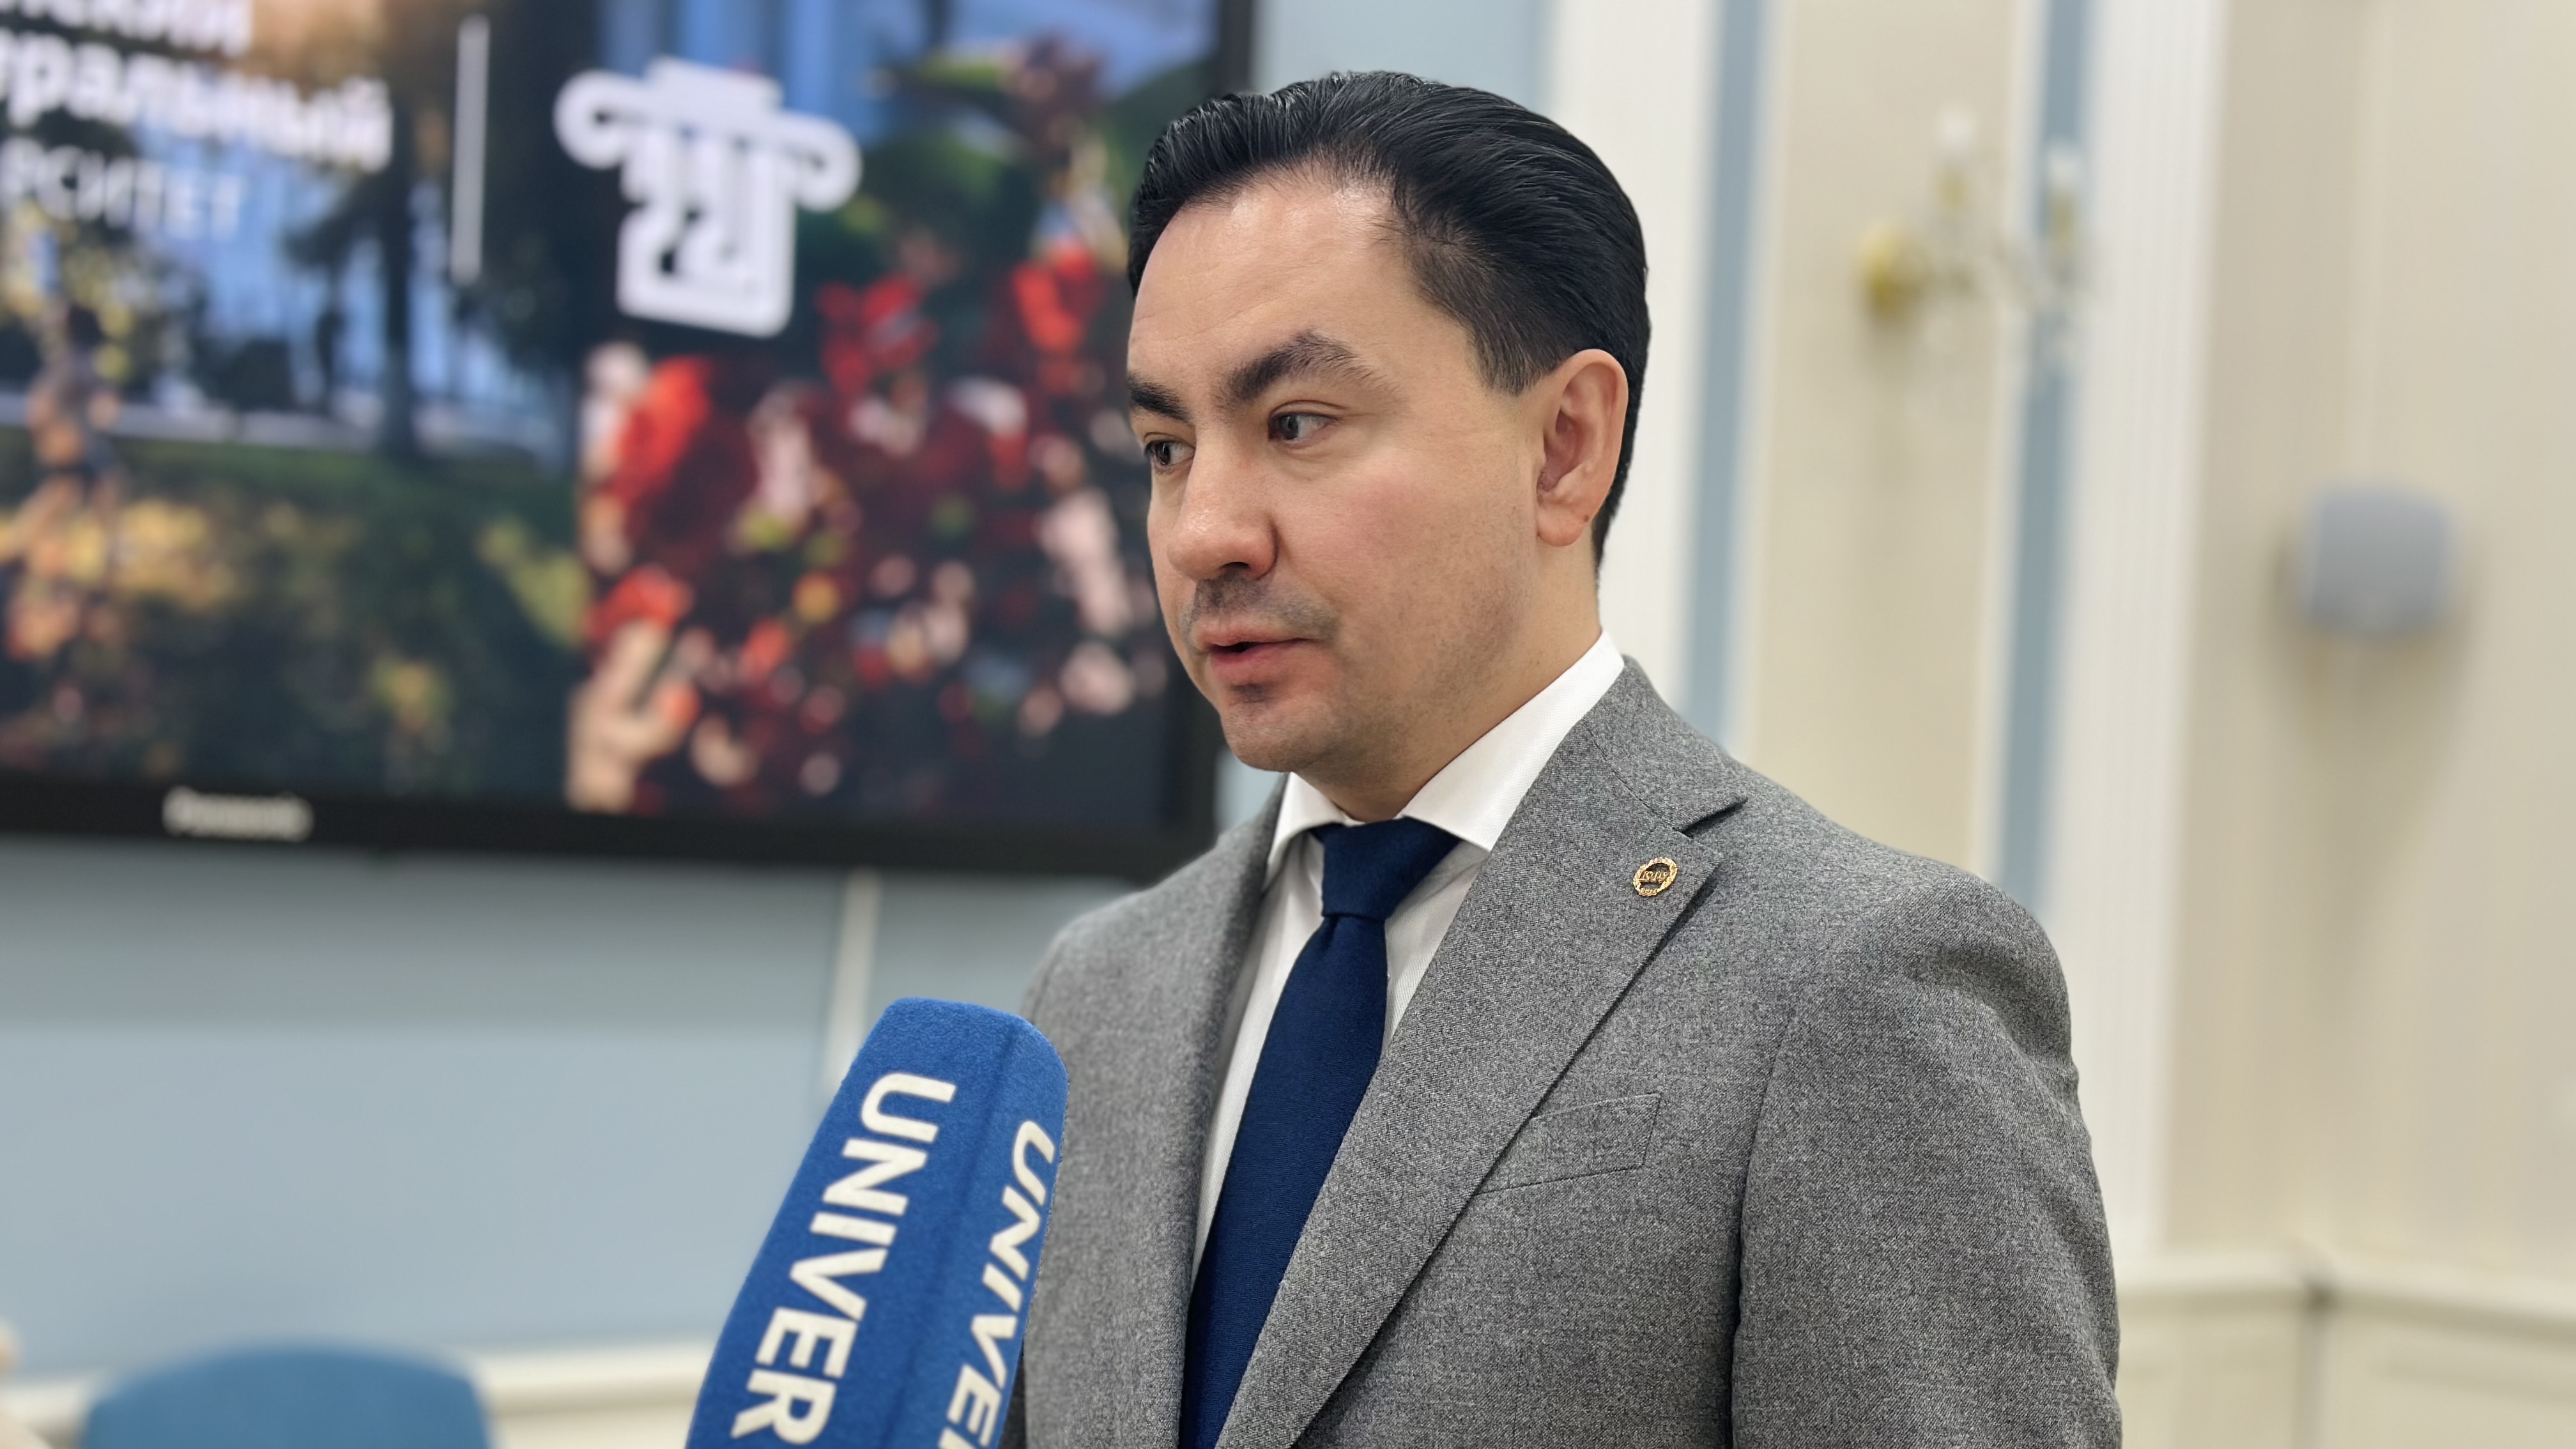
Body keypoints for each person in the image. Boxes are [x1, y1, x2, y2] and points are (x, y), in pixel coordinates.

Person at [1008, 72, 2119, 1448]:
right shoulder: (1098, 991)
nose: (1201, 533)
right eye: (1167, 447)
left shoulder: (1854, 982)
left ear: (1564, 448)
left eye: (1295, 423)